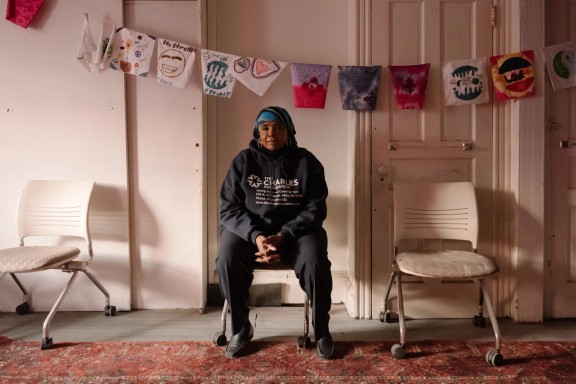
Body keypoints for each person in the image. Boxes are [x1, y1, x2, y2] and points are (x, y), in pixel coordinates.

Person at [216, 106, 334, 359]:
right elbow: (229, 208)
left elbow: (316, 209)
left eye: (279, 127)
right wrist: (258, 237)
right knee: (226, 257)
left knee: (315, 262)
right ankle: (241, 327)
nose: (272, 133)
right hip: (251, 234)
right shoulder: (243, 161)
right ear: (257, 132)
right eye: (265, 127)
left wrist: (283, 236)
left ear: (289, 130)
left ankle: (322, 329)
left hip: (296, 234)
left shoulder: (306, 161)